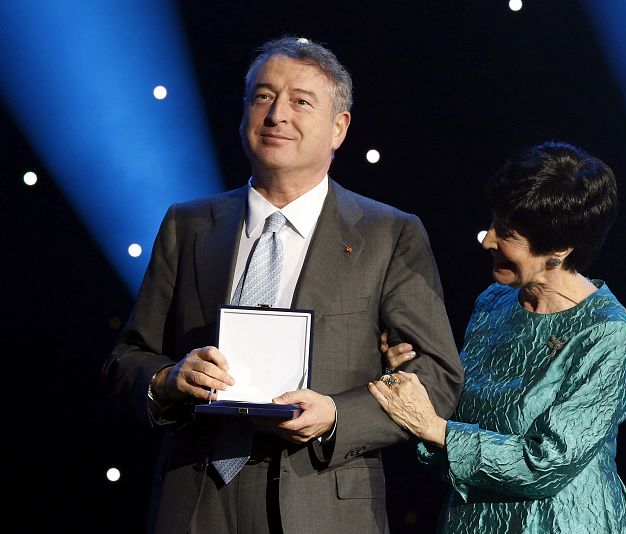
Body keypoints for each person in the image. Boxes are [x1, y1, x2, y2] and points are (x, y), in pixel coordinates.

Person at [103, 35, 464, 534]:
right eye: (263, 96)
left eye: (300, 101)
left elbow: (439, 375)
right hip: (197, 497)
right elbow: (128, 358)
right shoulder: (188, 225)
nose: (276, 115)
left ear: (339, 128)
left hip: (324, 497)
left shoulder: (389, 233)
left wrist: (338, 415)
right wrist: (169, 380)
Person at [369, 141, 626, 533]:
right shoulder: (495, 300)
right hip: (473, 520)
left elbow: (545, 463)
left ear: (560, 249)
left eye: (507, 233)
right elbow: (457, 416)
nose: (487, 240)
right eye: (494, 222)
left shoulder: (607, 332)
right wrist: (415, 378)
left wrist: (434, 428)